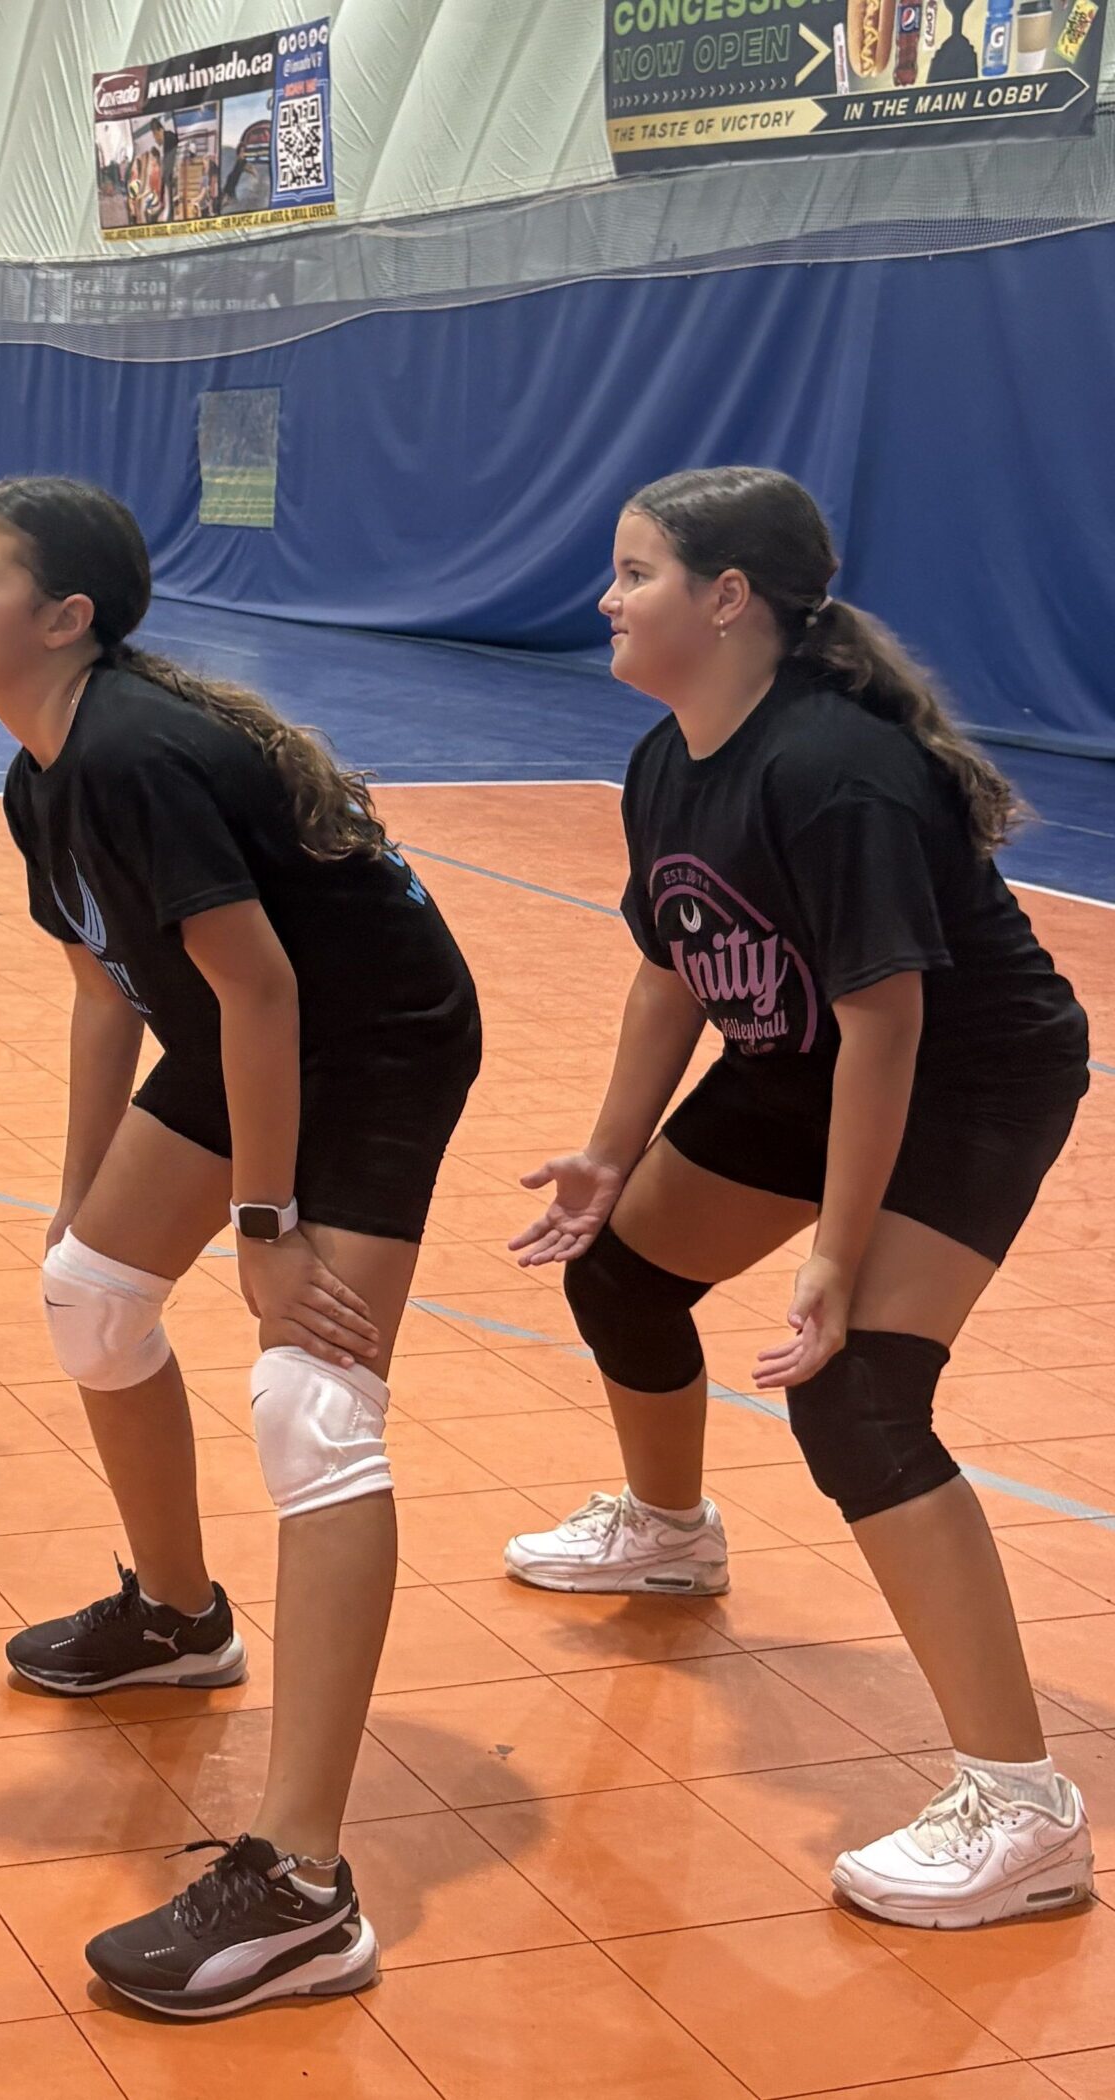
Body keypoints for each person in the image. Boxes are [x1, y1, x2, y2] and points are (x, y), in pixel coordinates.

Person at [0, 477, 482, 2019]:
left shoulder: (134, 752)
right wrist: (82, 1185)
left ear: (65, 619)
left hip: (373, 1046)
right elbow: (112, 990)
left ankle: (304, 1890)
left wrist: (265, 1228)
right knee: (92, 1298)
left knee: (313, 1409)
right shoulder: (45, 775)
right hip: (254, 1035)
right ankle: (178, 1618)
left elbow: (266, 992)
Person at [507, 465, 1094, 1929]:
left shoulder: (834, 770)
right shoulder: (671, 757)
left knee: (859, 1393)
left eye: (634, 572)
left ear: (728, 599)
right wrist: (609, 1154)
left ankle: (1024, 1812)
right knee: (620, 1268)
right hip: (805, 1057)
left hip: (963, 1074)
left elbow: (889, 1024)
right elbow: (671, 967)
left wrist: (834, 1257)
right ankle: (669, 1531)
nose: (605, 599)